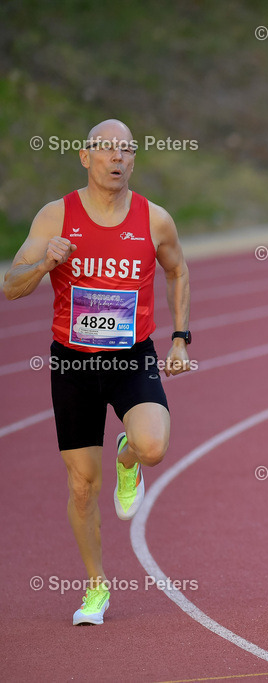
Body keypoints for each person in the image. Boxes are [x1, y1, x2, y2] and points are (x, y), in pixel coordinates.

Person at [3, 119, 192, 623]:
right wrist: (45, 262)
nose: (117, 159)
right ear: (85, 157)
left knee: (153, 446)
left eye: (126, 151)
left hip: (131, 357)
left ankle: (127, 462)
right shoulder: (55, 216)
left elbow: (177, 268)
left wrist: (179, 337)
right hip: (72, 364)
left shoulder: (155, 219)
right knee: (83, 486)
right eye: (107, 150)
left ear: (133, 160)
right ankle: (96, 587)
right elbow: (11, 285)